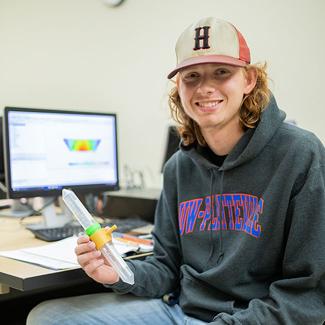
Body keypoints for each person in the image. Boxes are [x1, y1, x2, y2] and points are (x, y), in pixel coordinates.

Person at [27, 17, 325, 324]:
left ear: (249, 80)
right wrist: (117, 273)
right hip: (180, 311)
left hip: (251, 319)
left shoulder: (300, 155)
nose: (205, 88)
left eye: (222, 72)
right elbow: (165, 269)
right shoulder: (178, 169)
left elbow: (306, 297)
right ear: (179, 88)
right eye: (192, 76)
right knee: (48, 317)